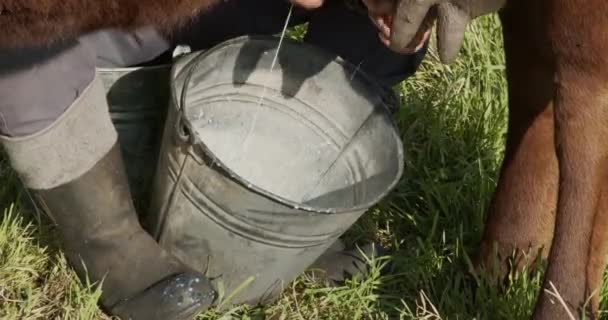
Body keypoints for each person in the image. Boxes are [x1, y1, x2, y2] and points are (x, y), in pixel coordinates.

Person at [0, 0, 431, 319]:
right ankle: (109, 240)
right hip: (100, 32)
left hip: (229, 17)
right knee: (20, 26)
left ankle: (290, 209)